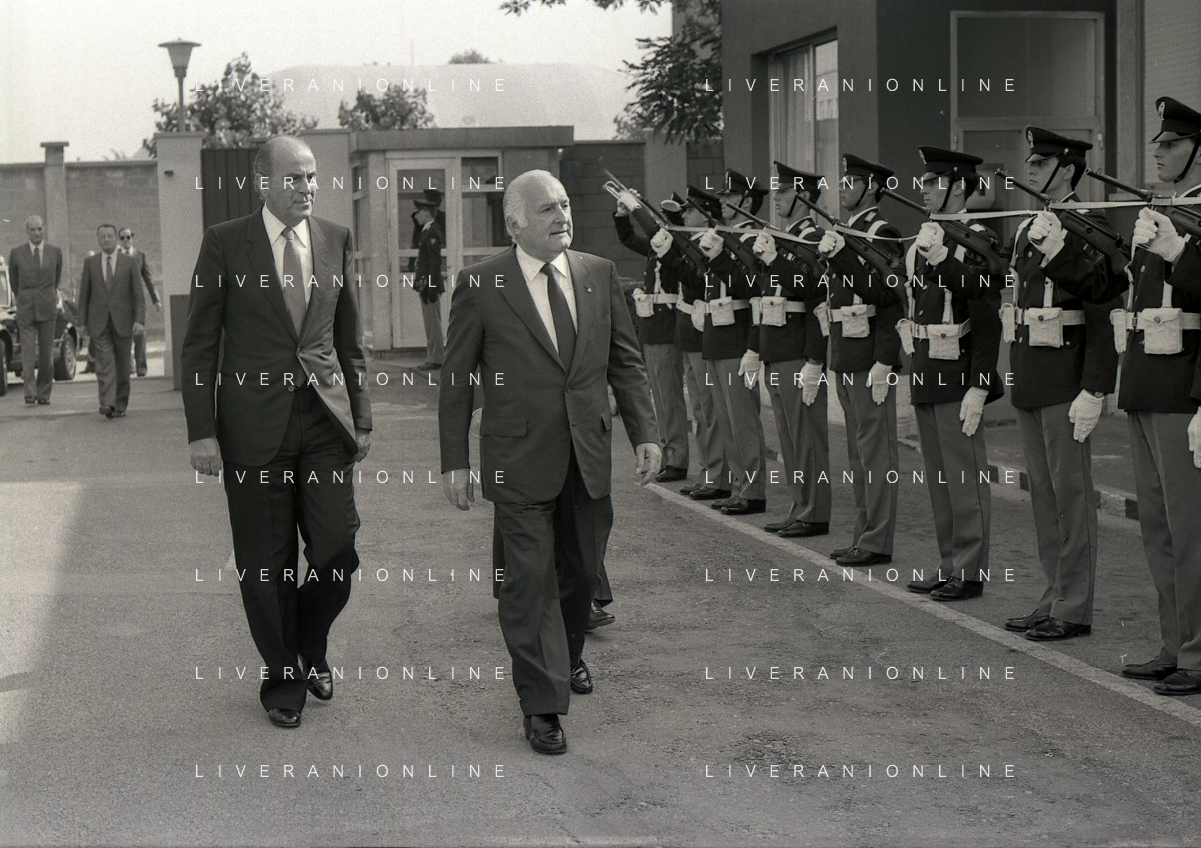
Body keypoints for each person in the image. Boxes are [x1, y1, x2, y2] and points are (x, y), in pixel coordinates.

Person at [439, 169, 660, 755]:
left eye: (564, 204)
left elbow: (626, 361)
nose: (563, 216)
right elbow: (457, 378)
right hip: (517, 458)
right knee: (530, 583)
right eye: (547, 209)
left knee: (582, 575)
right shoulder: (480, 284)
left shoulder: (598, 273)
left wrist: (646, 432)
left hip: (587, 454)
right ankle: (541, 705)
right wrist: (454, 459)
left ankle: (564, 656)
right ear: (514, 224)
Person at [181, 136, 373, 728]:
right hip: (251, 426)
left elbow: (348, 338)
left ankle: (309, 640)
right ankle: (283, 675)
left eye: (311, 177)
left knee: (337, 548)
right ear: (263, 183)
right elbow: (200, 344)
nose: (307, 187)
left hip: (324, 420)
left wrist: (361, 415)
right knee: (265, 562)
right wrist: (201, 431)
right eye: (294, 178)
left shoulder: (335, 238)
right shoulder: (225, 242)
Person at [1048, 97, 1201, 695]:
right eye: (1158, 144)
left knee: (1191, 533)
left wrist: (1178, 253)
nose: (1158, 153)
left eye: (1172, 144)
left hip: (1183, 391)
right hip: (1144, 386)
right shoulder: (1161, 213)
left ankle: (1198, 652)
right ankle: (1176, 644)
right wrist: (1059, 253)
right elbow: (1108, 287)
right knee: (1159, 531)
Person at [1001, 128, 1120, 638]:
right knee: (1044, 497)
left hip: (1066, 378)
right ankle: (1053, 595)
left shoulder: (1088, 225)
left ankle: (1073, 606)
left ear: (1067, 169)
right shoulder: (1031, 226)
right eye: (1029, 160)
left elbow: (1103, 309)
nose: (1029, 167)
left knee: (1070, 496)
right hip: (1031, 374)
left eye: (1041, 161)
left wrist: (1095, 388)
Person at [899, 147, 1003, 602]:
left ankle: (970, 570)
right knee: (940, 479)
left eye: (932, 182)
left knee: (964, 478)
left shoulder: (977, 240)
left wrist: (980, 385)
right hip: (926, 367)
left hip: (957, 371)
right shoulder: (926, 238)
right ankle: (949, 564)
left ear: (958, 187)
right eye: (923, 181)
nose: (923, 189)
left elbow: (986, 315)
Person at [818, 155, 904, 566]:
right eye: (842, 180)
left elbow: (887, 297)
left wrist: (885, 360)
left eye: (851, 181)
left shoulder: (882, 234)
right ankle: (863, 533)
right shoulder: (848, 230)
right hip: (846, 351)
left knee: (876, 453)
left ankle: (877, 540)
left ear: (872, 188)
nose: (842, 187)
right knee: (858, 453)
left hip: (870, 356)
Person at [752, 161, 832, 538]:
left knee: (806, 438)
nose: (776, 197)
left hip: (798, 348)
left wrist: (815, 359)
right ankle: (800, 505)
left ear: (804, 196)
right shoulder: (784, 237)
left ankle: (814, 511)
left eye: (783, 191)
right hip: (778, 347)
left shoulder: (813, 237)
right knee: (789, 439)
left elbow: (814, 292)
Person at [695, 172, 768, 515]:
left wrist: (754, 346)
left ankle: (753, 490)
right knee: (726, 420)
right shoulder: (724, 236)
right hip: (717, 336)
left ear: (747, 202)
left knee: (743, 421)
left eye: (730, 197)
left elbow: (752, 288)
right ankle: (739, 486)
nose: (722, 202)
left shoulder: (752, 240)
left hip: (738, 336)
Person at [614, 190, 690, 482]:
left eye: (667, 220)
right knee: (660, 397)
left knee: (670, 398)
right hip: (653, 324)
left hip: (666, 324)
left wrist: (638, 209)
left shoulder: (676, 246)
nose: (661, 226)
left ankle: (677, 458)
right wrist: (622, 214)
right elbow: (627, 239)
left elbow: (655, 237)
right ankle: (670, 453)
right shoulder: (657, 248)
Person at [78, 224, 145, 418]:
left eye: (109, 236)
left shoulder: (129, 262)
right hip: (99, 322)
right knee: (105, 364)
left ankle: (120, 404)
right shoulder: (90, 263)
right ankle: (107, 403)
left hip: (124, 321)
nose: (106, 240)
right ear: (98, 240)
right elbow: (84, 295)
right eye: (102, 237)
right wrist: (81, 322)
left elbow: (138, 295)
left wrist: (139, 321)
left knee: (123, 367)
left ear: (116, 238)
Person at [8, 215, 63, 405]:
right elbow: (14, 282)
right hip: (26, 308)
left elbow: (56, 279)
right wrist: (24, 297)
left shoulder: (55, 252)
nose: (37, 233)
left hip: (47, 308)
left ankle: (44, 393)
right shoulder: (16, 254)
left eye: (40, 229)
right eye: (33, 229)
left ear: (44, 229)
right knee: (28, 353)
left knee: (46, 356)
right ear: (27, 231)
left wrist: (47, 295)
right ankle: (29, 392)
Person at [118, 227, 160, 377]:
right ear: (119, 240)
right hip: (121, 302)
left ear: (132, 238)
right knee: (124, 335)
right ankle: (128, 366)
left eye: (128, 237)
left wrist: (156, 299)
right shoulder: (116, 256)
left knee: (140, 335)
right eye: (122, 238)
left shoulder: (140, 255)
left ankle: (141, 367)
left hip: (137, 302)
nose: (125, 240)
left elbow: (148, 279)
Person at [413, 189, 445, 371]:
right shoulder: (427, 231)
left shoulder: (432, 233)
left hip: (429, 285)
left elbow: (434, 263)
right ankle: (433, 356)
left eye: (419, 212)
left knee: (433, 324)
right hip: (426, 285)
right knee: (430, 323)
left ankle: (436, 358)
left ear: (426, 212)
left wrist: (431, 287)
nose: (416, 215)